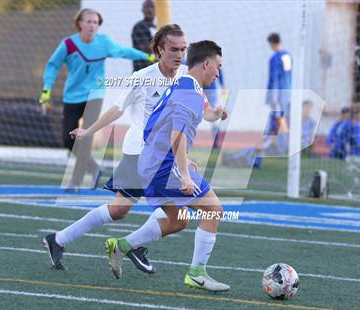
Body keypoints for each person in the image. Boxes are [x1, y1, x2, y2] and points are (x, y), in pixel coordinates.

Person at [42, 24, 226, 272]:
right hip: (140, 153)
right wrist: (88, 130)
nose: (179, 54)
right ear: (160, 50)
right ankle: (120, 244)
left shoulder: (187, 76)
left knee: (176, 215)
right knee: (130, 210)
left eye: (183, 49)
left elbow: (203, 112)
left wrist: (215, 114)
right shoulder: (142, 78)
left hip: (163, 157)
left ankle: (75, 240)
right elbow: (117, 109)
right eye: (173, 49)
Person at [106, 40, 229, 292]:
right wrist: (183, 173)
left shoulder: (182, 84)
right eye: (217, 66)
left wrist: (177, 156)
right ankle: (196, 274)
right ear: (206, 63)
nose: (218, 72)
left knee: (178, 220)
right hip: (162, 167)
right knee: (213, 210)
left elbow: (160, 125)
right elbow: (178, 135)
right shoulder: (191, 92)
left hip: (151, 164)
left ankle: (122, 245)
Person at [39, 8, 155, 191]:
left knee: (85, 137)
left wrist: (147, 56)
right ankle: (94, 168)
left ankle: (75, 182)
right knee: (67, 139)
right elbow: (53, 66)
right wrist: (46, 90)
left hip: (95, 94)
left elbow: (124, 52)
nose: (93, 25)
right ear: (80, 23)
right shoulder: (68, 44)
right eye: (89, 21)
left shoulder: (104, 43)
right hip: (72, 96)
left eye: (96, 22)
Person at [264, 32, 292, 155]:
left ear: (272, 43)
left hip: (277, 93)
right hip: (287, 92)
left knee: (279, 119)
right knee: (280, 119)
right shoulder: (288, 56)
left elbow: (274, 78)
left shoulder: (275, 58)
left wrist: (273, 97)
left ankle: (285, 146)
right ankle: (277, 145)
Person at [203, 68, 226, 149]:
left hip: (211, 91)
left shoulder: (212, 57)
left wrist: (223, 86)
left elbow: (218, 69)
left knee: (214, 117)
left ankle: (216, 141)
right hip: (199, 90)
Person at [132, 0, 156, 71]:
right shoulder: (139, 26)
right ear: (142, 10)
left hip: (153, 70)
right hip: (141, 69)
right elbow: (145, 48)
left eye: (152, 6)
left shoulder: (156, 27)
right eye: (146, 7)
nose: (149, 9)